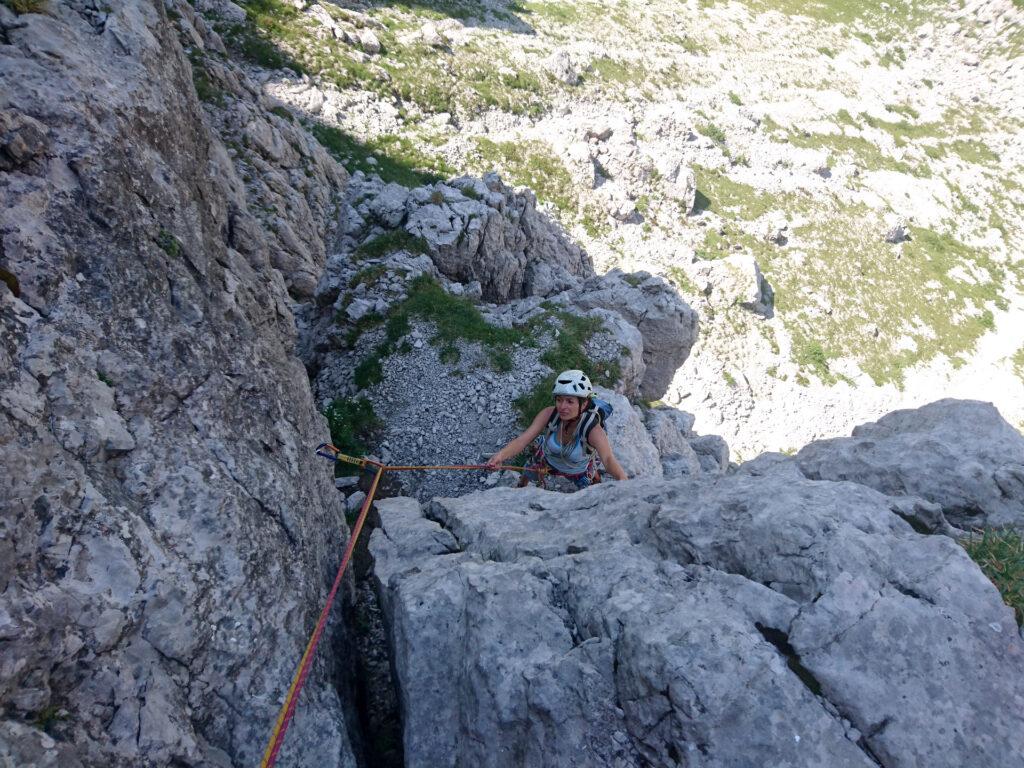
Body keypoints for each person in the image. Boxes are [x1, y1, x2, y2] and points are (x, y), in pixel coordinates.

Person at [486, 370, 628, 489]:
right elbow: (523, 440)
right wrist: (500, 456)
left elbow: (608, 459)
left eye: (570, 401)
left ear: (584, 404)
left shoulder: (591, 429)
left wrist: (624, 482)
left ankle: (595, 478)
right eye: (559, 400)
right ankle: (521, 486)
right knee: (528, 471)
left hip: (577, 470)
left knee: (591, 482)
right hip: (548, 458)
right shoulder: (549, 414)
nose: (562, 406)